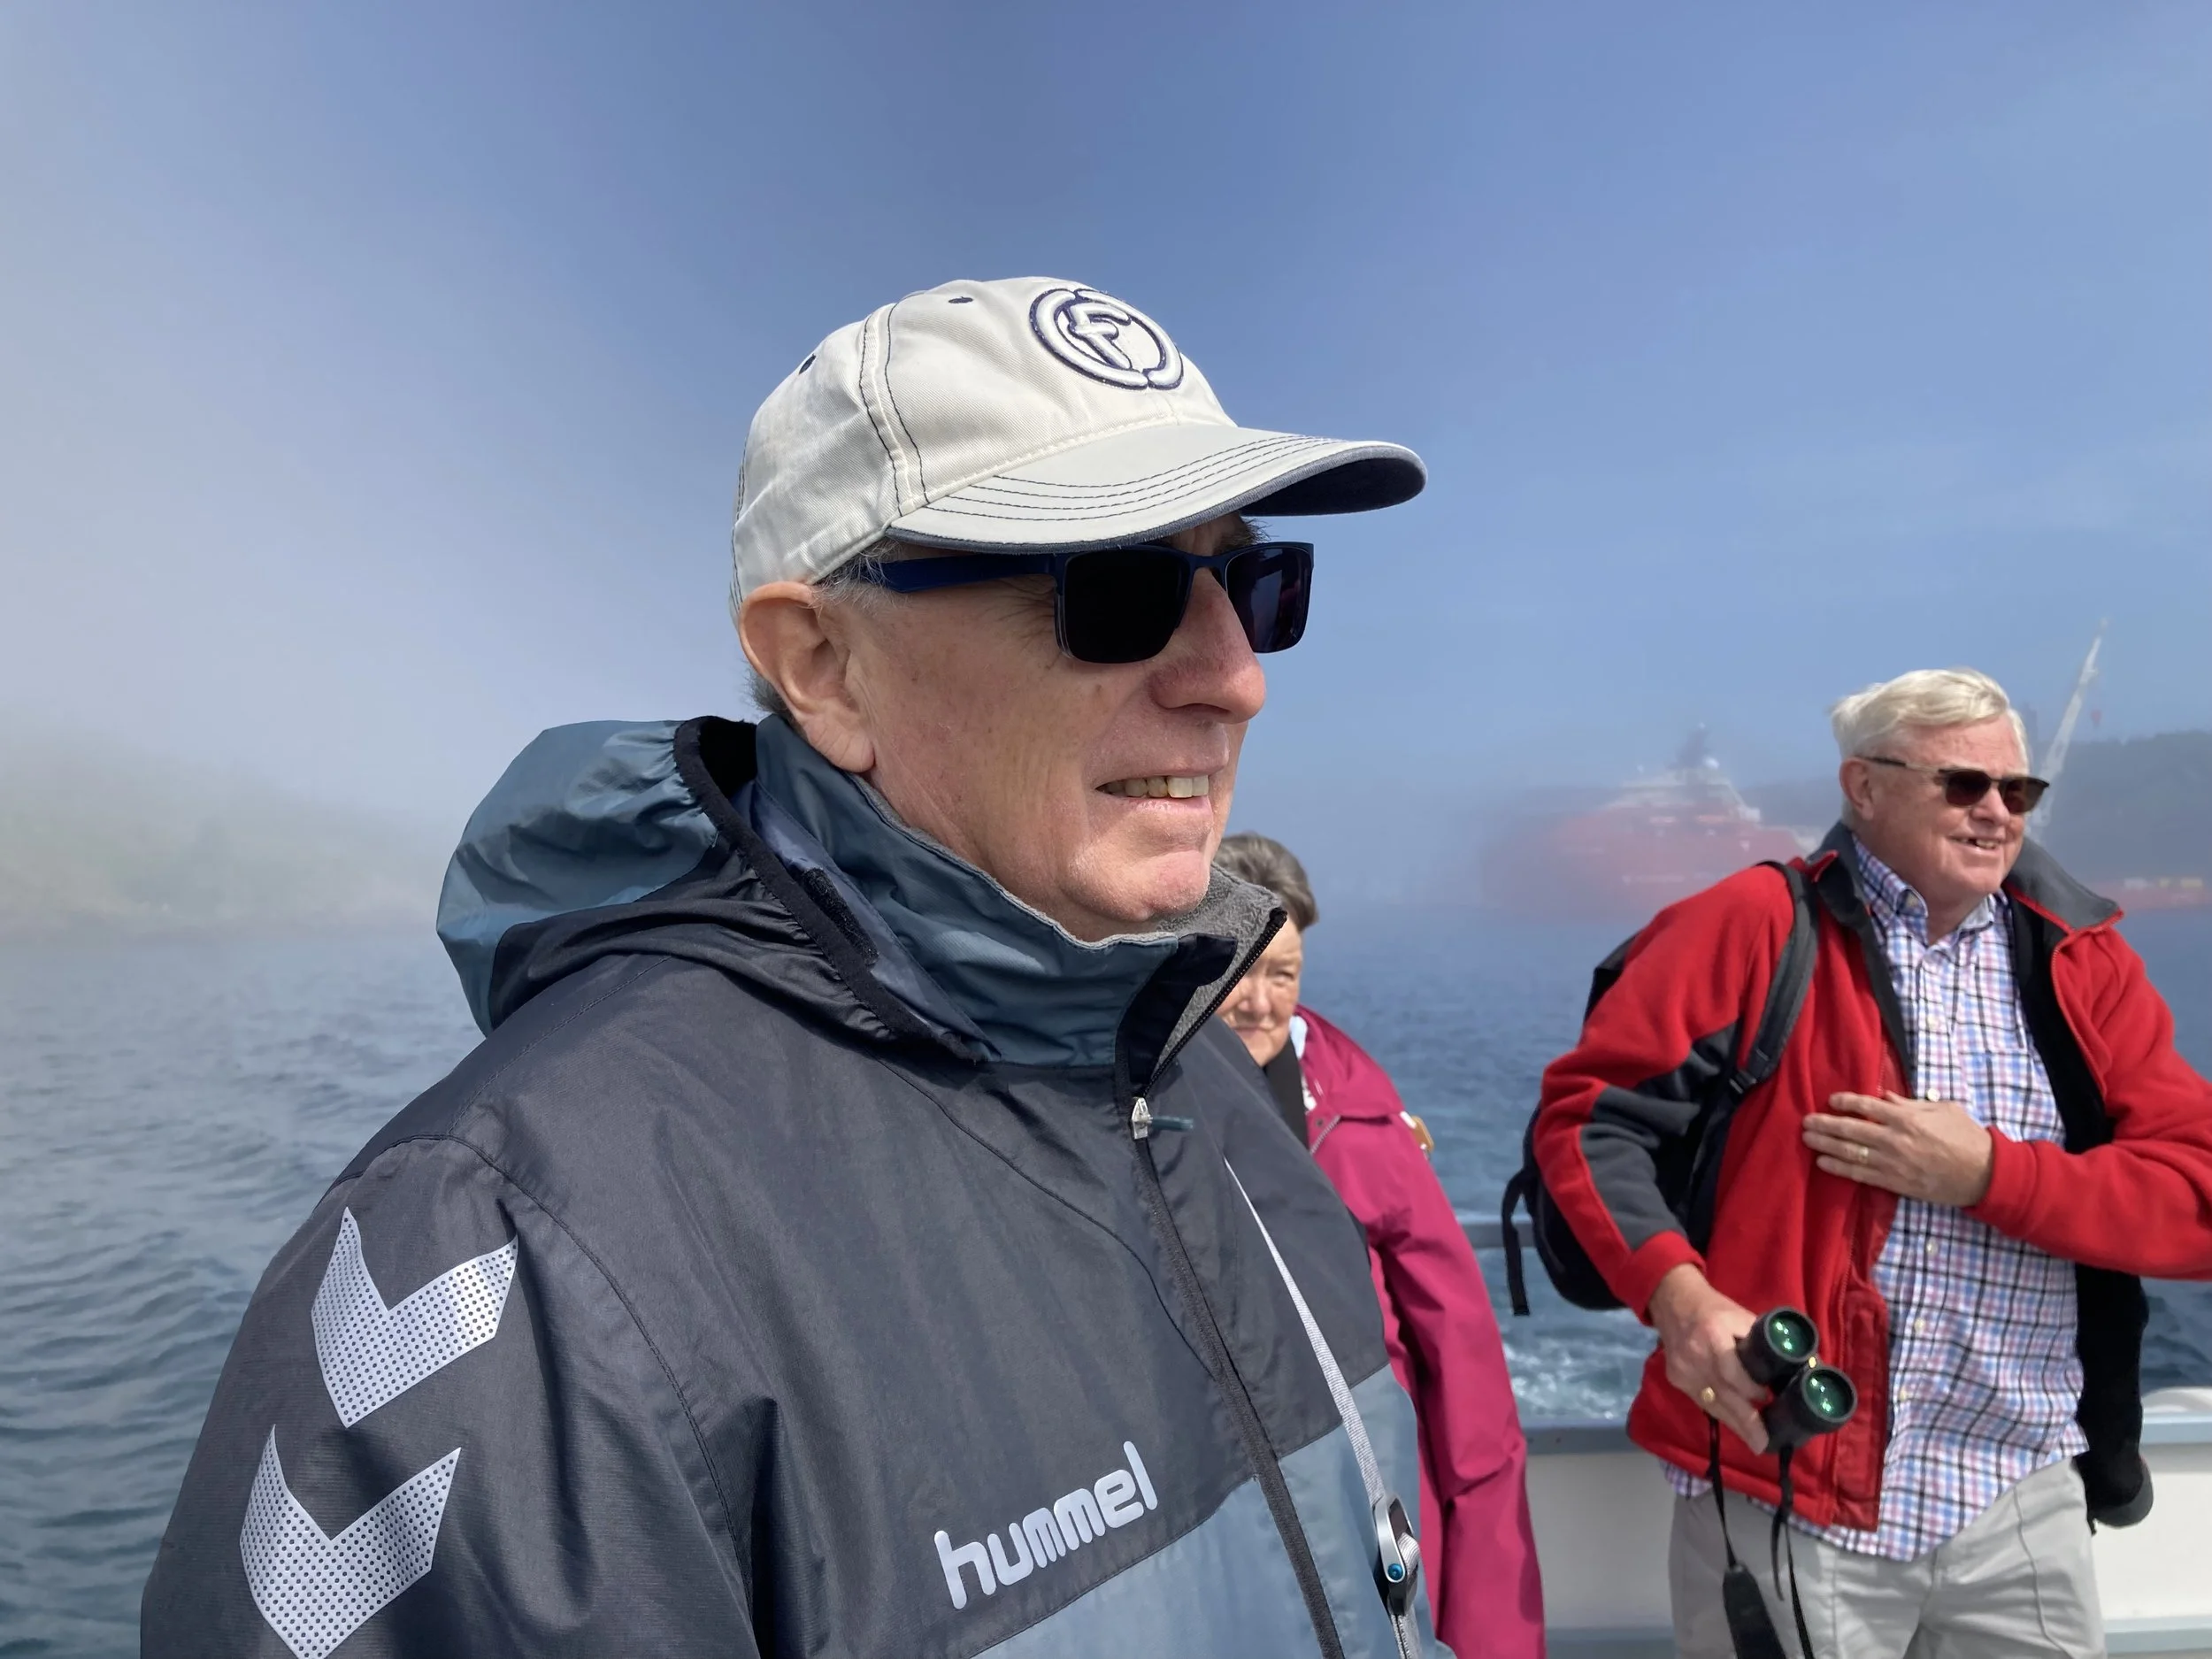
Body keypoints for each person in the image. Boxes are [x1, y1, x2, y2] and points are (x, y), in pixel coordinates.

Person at [141, 278, 1459, 1658]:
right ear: (821, 664)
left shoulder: (1203, 1076)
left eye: (1258, 580)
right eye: (1119, 589)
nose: (1236, 674)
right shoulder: (506, 1265)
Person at [1532, 667, 2212, 1658]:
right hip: (1790, 1488)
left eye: (2015, 793)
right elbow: (1589, 1124)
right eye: (1961, 785)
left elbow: (2196, 1200)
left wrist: (1988, 1175)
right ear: (1863, 787)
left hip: (2021, 1496)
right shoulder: (1751, 928)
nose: (1994, 812)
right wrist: (1677, 1298)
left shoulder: (2085, 963)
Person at [1214, 833, 1546, 1659]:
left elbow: (1462, 1357)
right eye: (1231, 971)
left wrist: (1493, 1637)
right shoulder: (1135, 1103)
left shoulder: (1361, 1116)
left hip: (1370, 1486)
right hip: (1224, 1501)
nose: (1258, 1001)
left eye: (1281, 973)